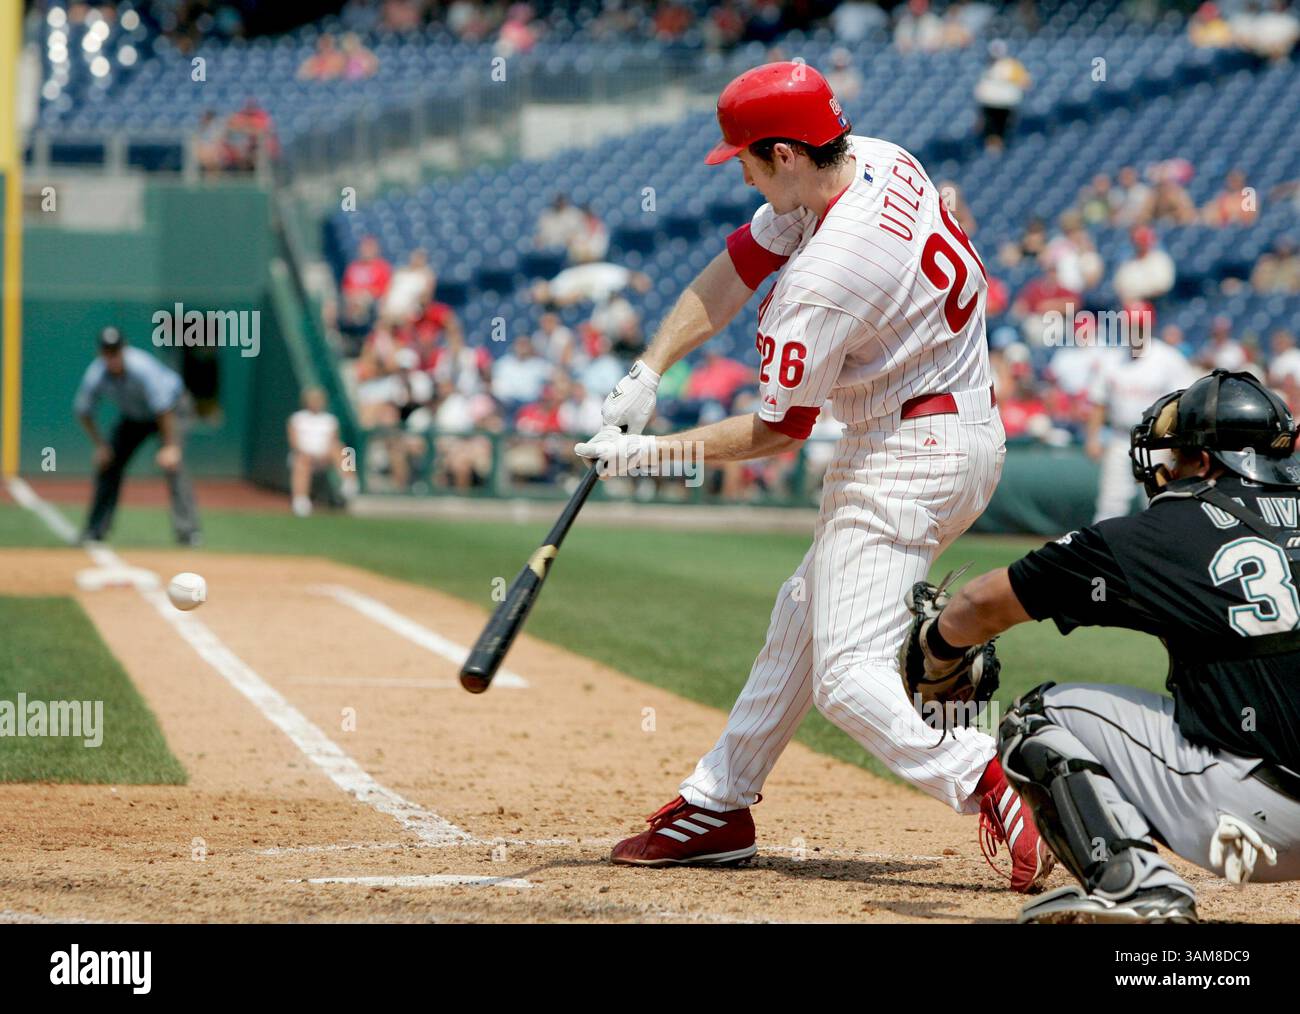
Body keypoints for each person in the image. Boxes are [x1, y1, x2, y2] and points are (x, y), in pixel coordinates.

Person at [574, 62, 1050, 892]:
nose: (745, 173)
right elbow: (737, 263)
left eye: (751, 160)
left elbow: (778, 430)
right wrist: (649, 372)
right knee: (803, 611)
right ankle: (717, 803)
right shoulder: (877, 157)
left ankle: (986, 772)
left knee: (845, 678)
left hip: (907, 452)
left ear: (788, 153)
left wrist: (645, 456)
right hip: (956, 425)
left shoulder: (826, 277)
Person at [915, 371, 1300, 923]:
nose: (1170, 466)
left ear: (1209, 462)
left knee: (1034, 718)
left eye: (1182, 453)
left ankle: (1135, 884)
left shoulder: (1163, 531)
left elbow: (980, 606)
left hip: (1262, 823)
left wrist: (938, 647)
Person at [75, 327, 201, 546]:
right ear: (101, 353)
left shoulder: (141, 367)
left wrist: (171, 447)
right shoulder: (96, 373)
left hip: (172, 410)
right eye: (107, 351)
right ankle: (95, 529)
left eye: (115, 350)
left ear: (124, 349)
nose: (112, 356)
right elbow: (84, 411)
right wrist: (101, 445)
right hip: (135, 417)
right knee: (109, 464)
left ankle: (189, 532)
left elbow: (163, 408)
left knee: (173, 464)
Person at [1086, 307, 1198, 521]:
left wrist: (1173, 441)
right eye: (1129, 326)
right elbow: (1099, 402)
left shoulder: (1168, 358)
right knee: (1110, 502)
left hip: (1156, 439)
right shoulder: (1111, 358)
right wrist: (1093, 437)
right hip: (1120, 437)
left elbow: (1185, 401)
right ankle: (1103, 551)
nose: (1133, 331)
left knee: (1157, 499)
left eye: (1138, 326)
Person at [287, 387, 356, 517]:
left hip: (324, 456)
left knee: (345, 450)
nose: (316, 403)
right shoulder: (297, 418)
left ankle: (349, 481)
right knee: (301, 460)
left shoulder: (330, 420)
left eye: (318, 400)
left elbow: (333, 440)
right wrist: (308, 455)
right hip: (304, 456)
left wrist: (323, 456)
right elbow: (294, 442)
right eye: (313, 400)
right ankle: (301, 500)